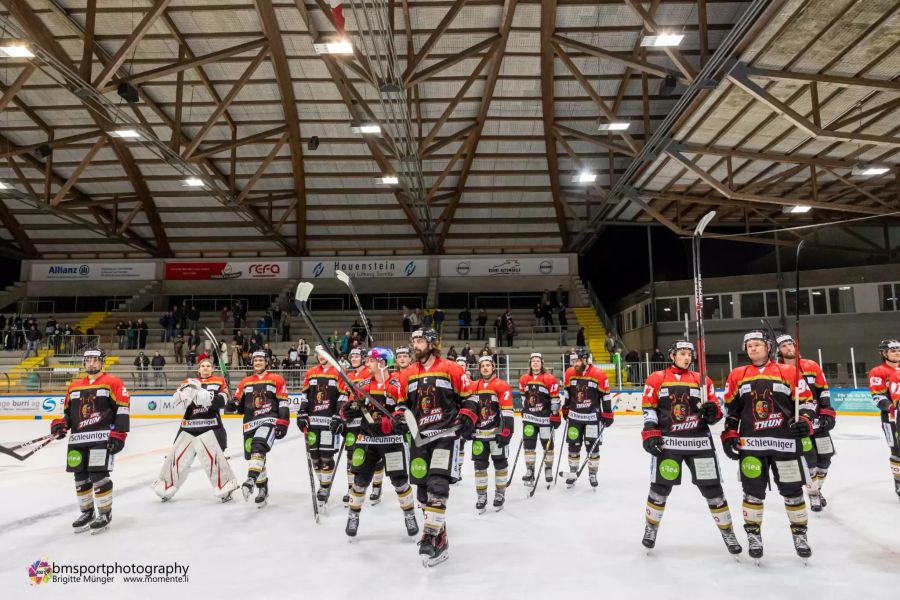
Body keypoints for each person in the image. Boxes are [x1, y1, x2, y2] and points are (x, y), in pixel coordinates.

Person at [639, 340, 741, 554]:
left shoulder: (702, 380)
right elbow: (649, 408)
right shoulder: (656, 378)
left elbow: (716, 411)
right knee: (659, 489)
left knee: (713, 490)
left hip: (699, 443)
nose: (686, 358)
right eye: (682, 353)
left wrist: (714, 413)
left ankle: (728, 533)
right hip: (668, 443)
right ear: (672, 355)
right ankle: (651, 528)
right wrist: (650, 431)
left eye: (689, 354)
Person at [721, 330, 815, 561]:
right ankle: (753, 535)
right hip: (752, 444)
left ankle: (800, 535)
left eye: (757, 344)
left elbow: (807, 402)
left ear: (769, 347)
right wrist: (729, 432)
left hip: (785, 444)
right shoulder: (737, 374)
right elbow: (731, 410)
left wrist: (804, 421)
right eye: (749, 345)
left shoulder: (789, 371)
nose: (752, 348)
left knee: (793, 493)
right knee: (752, 493)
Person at [396, 328, 476, 567]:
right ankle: (440, 537)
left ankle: (429, 535)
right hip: (420, 438)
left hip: (445, 434)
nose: (415, 345)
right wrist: (400, 418)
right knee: (422, 491)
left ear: (431, 342)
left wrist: (467, 416)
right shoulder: (407, 373)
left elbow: (469, 396)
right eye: (413, 341)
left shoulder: (452, 368)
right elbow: (402, 405)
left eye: (419, 340)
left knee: (437, 484)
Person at [342, 348, 418, 539]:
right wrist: (349, 411)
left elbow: (403, 407)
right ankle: (353, 515)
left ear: (382, 363)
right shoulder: (364, 384)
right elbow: (353, 405)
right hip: (367, 439)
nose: (367, 363)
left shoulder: (396, 384)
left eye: (371, 360)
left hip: (391, 441)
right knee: (359, 481)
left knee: (400, 482)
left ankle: (409, 515)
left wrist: (400, 420)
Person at [50, 348, 129, 534]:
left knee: (98, 476)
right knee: (80, 477)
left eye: (95, 360)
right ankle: (87, 512)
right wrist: (61, 424)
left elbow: (122, 409)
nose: (91, 363)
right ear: (83, 363)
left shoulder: (113, 382)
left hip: (101, 438)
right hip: (77, 440)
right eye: (88, 360)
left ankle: (104, 513)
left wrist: (119, 435)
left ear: (102, 362)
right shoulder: (74, 385)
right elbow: (69, 414)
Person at [152, 354, 237, 502]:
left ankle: (225, 487)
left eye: (208, 366)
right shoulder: (188, 382)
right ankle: (166, 487)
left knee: (216, 459)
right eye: (203, 366)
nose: (205, 368)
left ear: (213, 369)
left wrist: (208, 397)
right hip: (189, 426)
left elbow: (222, 401)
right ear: (198, 369)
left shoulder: (219, 381)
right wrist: (183, 394)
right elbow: (178, 401)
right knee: (177, 458)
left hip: (212, 425)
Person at [777, 334, 836, 511]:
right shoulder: (778, 370)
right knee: (809, 461)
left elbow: (822, 390)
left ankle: (817, 489)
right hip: (798, 424)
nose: (788, 348)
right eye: (784, 346)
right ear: (778, 350)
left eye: (790, 344)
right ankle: (813, 495)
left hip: (817, 420)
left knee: (826, 456)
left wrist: (827, 411)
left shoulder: (811, 366)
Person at [226, 350, 290, 508]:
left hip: (269, 420)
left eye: (261, 360)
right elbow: (239, 407)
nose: (258, 363)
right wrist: (232, 405)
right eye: (255, 361)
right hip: (249, 424)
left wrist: (283, 421)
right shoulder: (245, 382)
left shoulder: (276, 379)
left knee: (258, 447)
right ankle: (263, 489)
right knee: (255, 456)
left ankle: (250, 480)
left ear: (267, 362)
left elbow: (283, 402)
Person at [297, 346, 349, 506]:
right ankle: (323, 483)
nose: (320, 357)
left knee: (326, 456)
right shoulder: (311, 372)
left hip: (329, 422)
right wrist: (301, 412)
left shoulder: (339, 372)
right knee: (315, 457)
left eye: (323, 354)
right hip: (313, 422)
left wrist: (338, 415)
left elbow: (343, 395)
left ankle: (324, 487)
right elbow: (305, 395)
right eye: (318, 354)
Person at [563, 346, 613, 488]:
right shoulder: (570, 372)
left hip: (592, 418)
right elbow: (567, 392)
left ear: (586, 360)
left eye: (577, 361)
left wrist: (607, 412)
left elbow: (606, 395)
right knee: (573, 446)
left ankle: (592, 473)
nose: (574, 364)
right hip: (574, 418)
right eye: (573, 361)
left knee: (593, 447)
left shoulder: (599, 374)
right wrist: (565, 407)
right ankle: (573, 472)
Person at [469, 355, 514, 513]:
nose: (485, 368)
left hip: (496, 435)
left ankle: (500, 494)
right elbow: (469, 409)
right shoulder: (474, 386)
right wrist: (467, 427)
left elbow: (507, 411)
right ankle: (481, 495)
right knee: (479, 466)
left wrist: (507, 431)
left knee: (500, 464)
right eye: (483, 366)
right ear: (479, 368)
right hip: (479, 436)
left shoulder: (502, 385)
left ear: (493, 367)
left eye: (488, 365)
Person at [518, 353, 561, 485]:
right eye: (533, 361)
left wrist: (555, 414)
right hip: (530, 419)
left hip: (544, 420)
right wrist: (524, 410)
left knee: (548, 446)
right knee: (529, 446)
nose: (535, 363)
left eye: (538, 361)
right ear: (530, 364)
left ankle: (548, 469)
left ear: (542, 363)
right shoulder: (524, 378)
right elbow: (523, 398)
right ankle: (530, 470)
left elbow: (555, 398)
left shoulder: (550, 378)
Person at [340, 347, 373, 506]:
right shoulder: (348, 375)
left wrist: (359, 407)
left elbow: (372, 395)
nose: (353, 358)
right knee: (350, 456)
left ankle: (372, 486)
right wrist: (342, 413)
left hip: (365, 420)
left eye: (356, 356)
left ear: (363, 358)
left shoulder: (369, 372)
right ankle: (351, 488)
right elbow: (343, 397)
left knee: (366, 455)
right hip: (351, 422)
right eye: (351, 355)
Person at [868, 339, 900, 500]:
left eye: (898, 349)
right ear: (884, 353)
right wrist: (892, 407)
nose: (897, 352)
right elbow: (877, 397)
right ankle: (899, 483)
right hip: (892, 419)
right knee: (897, 452)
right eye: (893, 350)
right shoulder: (878, 371)